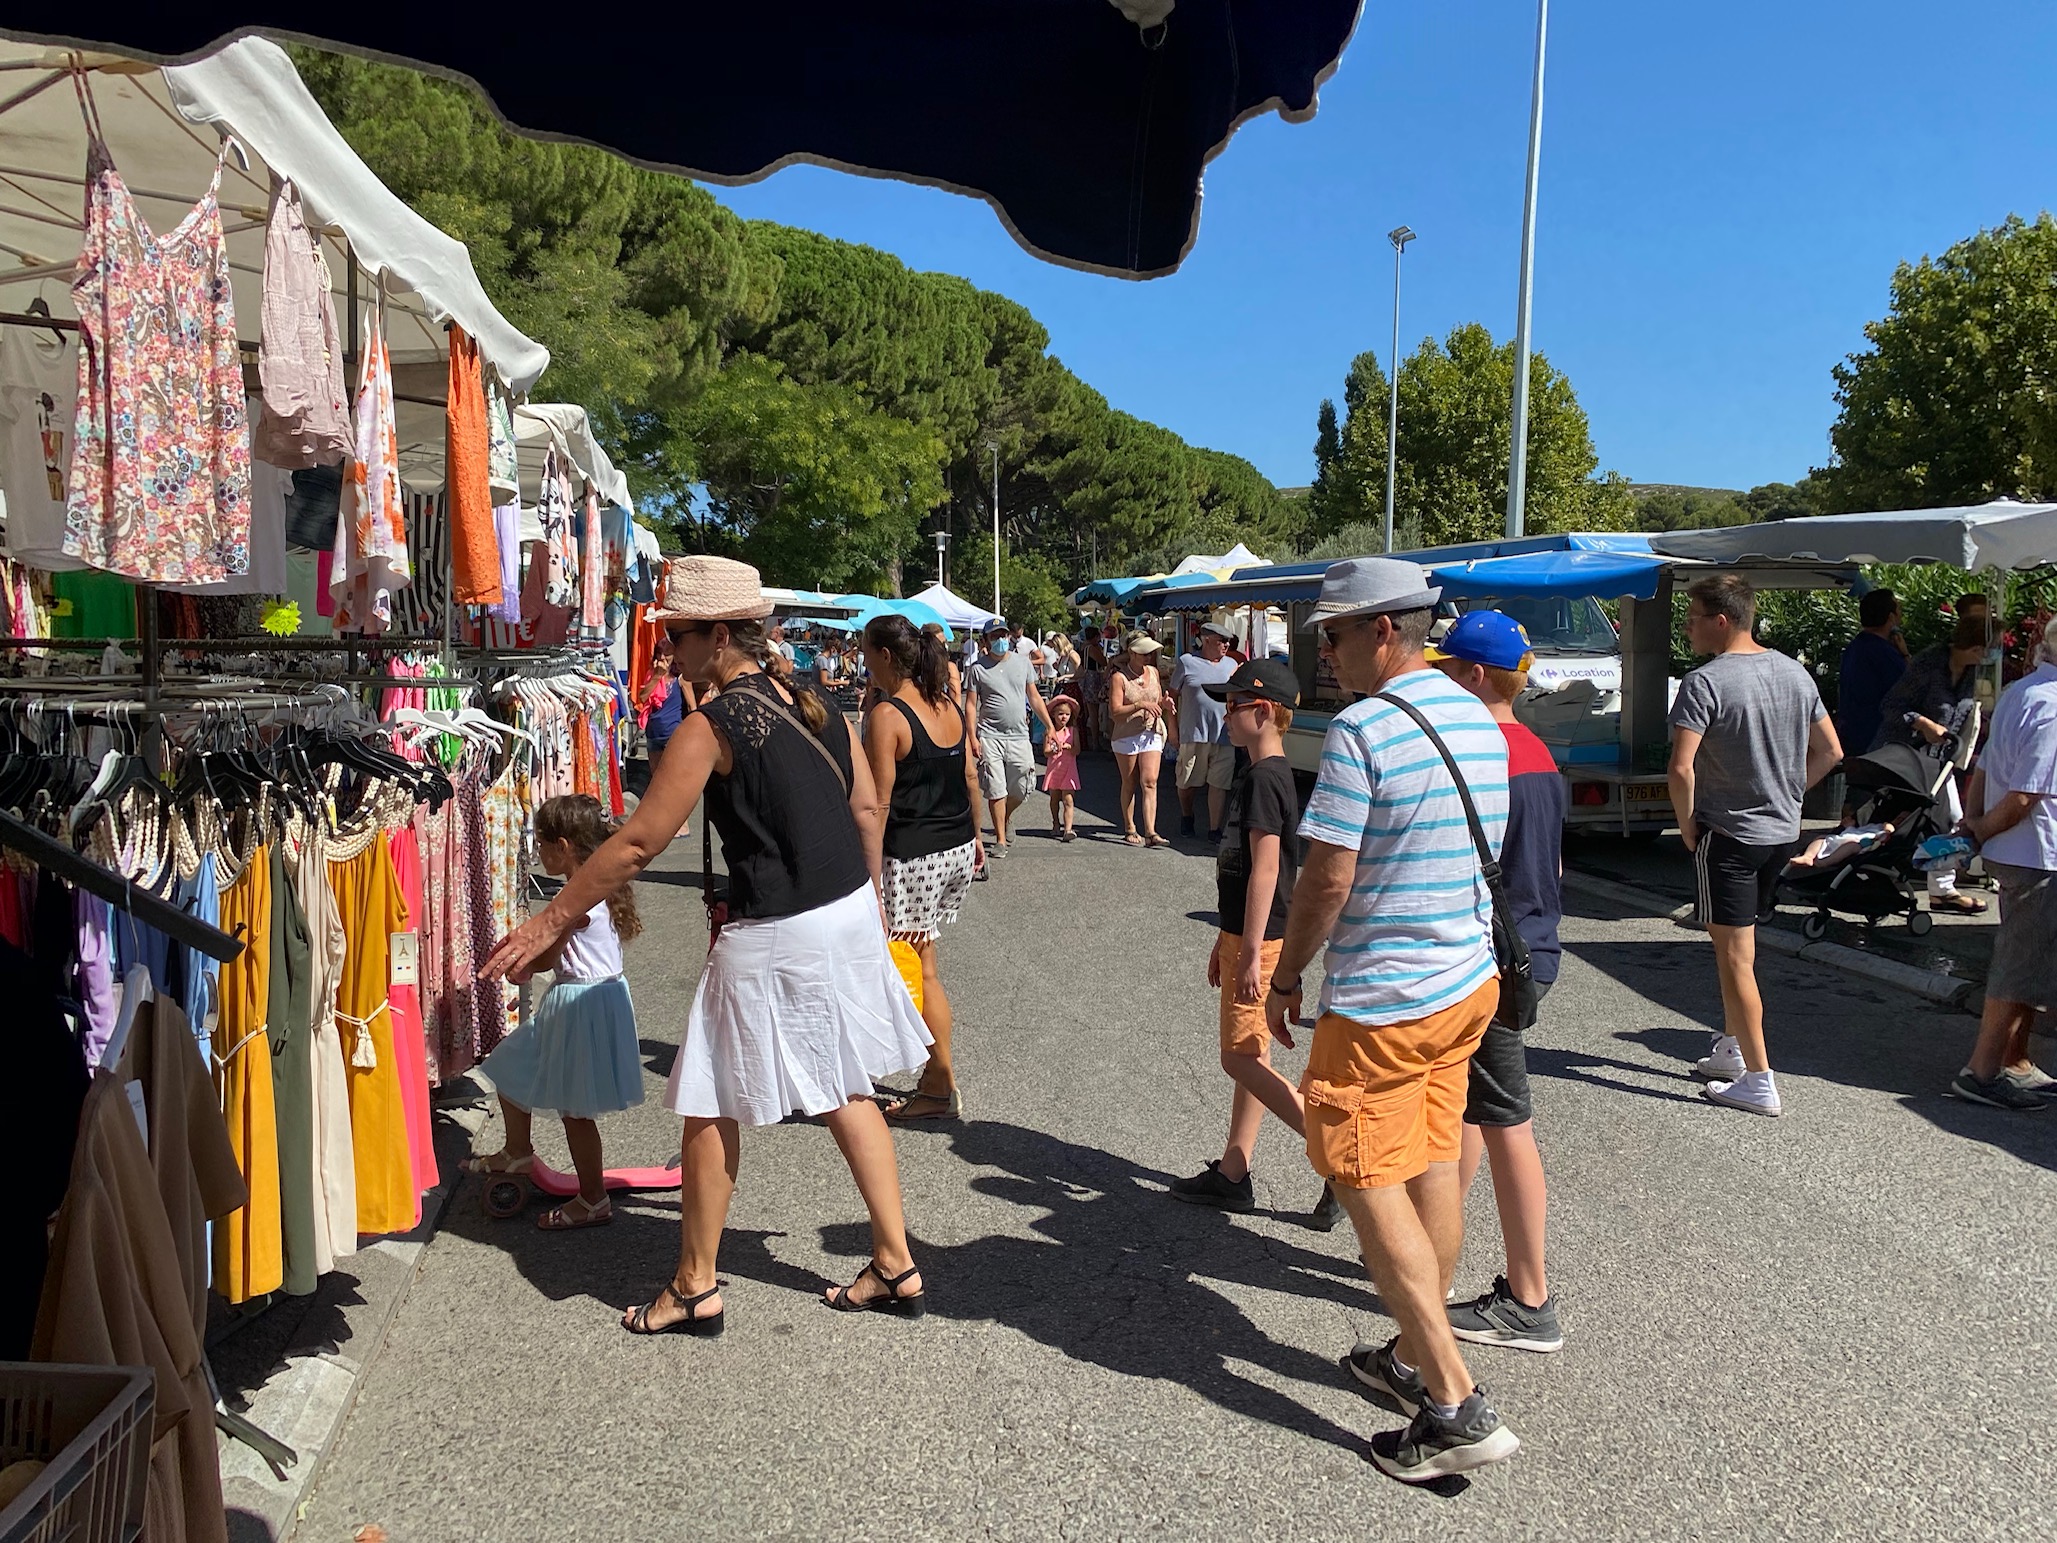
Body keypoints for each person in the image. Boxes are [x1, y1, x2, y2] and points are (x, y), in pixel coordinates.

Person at [481, 556, 932, 1335]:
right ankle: (894, 1259)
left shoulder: (710, 724)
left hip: (777, 924)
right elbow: (864, 808)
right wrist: (862, 910)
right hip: (844, 906)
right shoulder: (814, 696)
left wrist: (549, 921)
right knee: (841, 1084)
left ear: (719, 634)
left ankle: (695, 1282)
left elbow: (635, 843)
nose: (667, 651)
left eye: (678, 636)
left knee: (709, 1097)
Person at [1262, 557, 1519, 1481]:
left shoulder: (1363, 730)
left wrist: (1285, 973)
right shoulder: (1475, 713)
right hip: (1464, 982)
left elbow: (1326, 875)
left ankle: (1451, 1399)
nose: (1320, 653)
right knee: (1432, 1159)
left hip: (1385, 998)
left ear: (1381, 631)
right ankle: (1411, 1356)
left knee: (1361, 1167)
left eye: (1330, 635)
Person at [1426, 612, 1565, 1353]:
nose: (1441, 679)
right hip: (1532, 945)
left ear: (1474, 676)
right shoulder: (1536, 750)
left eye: (1447, 669)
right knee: (1472, 1107)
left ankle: (1528, 1296)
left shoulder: (1479, 753)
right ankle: (1438, 1250)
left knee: (1506, 1117)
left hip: (1491, 958)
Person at [1167, 658, 1338, 1228]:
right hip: (1250, 932)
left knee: (1237, 1057)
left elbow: (1266, 870)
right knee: (1253, 1056)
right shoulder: (1261, 771)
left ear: (1262, 713)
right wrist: (1227, 935)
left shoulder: (1265, 777)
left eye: (1232, 706)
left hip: (1261, 937)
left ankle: (1339, 1166)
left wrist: (1248, 949)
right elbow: (1242, 874)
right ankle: (1235, 1171)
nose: (1224, 714)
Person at [1669, 573, 1843, 1118]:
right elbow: (1831, 751)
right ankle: (1731, 1049)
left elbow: (1680, 767)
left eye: (1693, 617)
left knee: (1735, 957)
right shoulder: (1795, 673)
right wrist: (1790, 793)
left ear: (1721, 620)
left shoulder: (1706, 683)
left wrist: (1687, 824)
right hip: (1778, 835)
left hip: (1730, 835)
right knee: (1736, 951)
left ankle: (1760, 1079)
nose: (1687, 627)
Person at [463, 795, 645, 1231]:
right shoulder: (597, 886)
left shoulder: (574, 899)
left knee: (574, 1110)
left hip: (580, 1006)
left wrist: (518, 963)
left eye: (539, 844)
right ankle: (518, 1149)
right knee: (511, 1064)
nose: (535, 853)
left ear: (562, 846)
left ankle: (593, 1198)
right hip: (591, 999)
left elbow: (545, 959)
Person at [862, 614, 984, 1123]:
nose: (862, 662)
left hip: (911, 855)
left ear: (886, 657)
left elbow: (877, 806)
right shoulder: (946, 703)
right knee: (926, 963)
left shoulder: (889, 716)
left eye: (866, 652)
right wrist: (978, 837)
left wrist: (869, 879)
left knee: (917, 968)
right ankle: (937, 1078)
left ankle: (937, 1079)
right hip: (954, 843)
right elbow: (970, 774)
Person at [1950, 615, 2057, 1109]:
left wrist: (1973, 825)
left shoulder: (2020, 692)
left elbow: (1985, 764)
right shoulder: (2053, 704)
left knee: (2029, 959)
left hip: (2017, 850)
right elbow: (2025, 795)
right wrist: (1980, 828)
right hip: (2037, 851)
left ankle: (2014, 1060)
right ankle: (1983, 1070)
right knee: (2020, 963)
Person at [1871, 616, 1990, 914]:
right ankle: (1867, 874)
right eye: (1989, 648)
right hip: (1906, 754)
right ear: (1974, 646)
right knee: (1894, 820)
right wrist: (1922, 723)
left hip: (1940, 760)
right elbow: (1890, 706)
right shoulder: (1929, 664)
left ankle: (1942, 889)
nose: (1991, 655)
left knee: (1951, 818)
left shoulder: (1971, 673)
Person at [965, 617, 1055, 858]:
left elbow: (1034, 697)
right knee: (996, 788)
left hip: (1018, 736)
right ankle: (1001, 840)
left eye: (1003, 635)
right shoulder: (977, 669)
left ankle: (1005, 817)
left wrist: (1049, 726)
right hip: (989, 735)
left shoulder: (1022, 663)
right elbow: (972, 704)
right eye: (994, 636)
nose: (1000, 640)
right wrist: (972, 736)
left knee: (1023, 785)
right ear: (985, 641)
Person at [1168, 622, 1240, 840]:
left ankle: (1214, 829)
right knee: (1188, 782)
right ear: (1207, 640)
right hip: (1193, 732)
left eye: (1228, 641)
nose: (1227, 645)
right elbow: (1171, 697)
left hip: (1225, 735)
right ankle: (1187, 815)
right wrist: (1172, 728)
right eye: (1222, 641)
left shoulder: (1231, 664)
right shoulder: (1187, 662)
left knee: (1219, 784)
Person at [1109, 632, 1170, 847]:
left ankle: (1151, 832)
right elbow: (1115, 712)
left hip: (1151, 731)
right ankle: (1129, 827)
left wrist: (1165, 704)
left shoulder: (1153, 672)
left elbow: (1158, 700)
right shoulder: (1120, 677)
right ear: (1132, 652)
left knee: (1150, 781)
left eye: (1150, 652)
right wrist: (1139, 705)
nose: (1149, 657)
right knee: (1130, 781)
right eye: (1144, 652)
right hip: (1126, 734)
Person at [1834, 588, 1906, 762]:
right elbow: (1909, 689)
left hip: (1853, 733)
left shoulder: (1854, 648)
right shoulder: (1884, 653)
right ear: (1890, 617)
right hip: (1876, 738)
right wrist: (1905, 654)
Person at [1042, 696, 1082, 841]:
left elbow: (1077, 750)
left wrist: (1069, 747)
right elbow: (1045, 751)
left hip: (1069, 770)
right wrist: (1053, 751)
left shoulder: (1072, 731)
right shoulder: (1050, 732)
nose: (1063, 717)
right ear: (1053, 714)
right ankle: (1055, 823)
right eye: (1060, 714)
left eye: (1067, 714)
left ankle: (1068, 829)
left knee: (1068, 800)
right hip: (1054, 770)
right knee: (1054, 799)